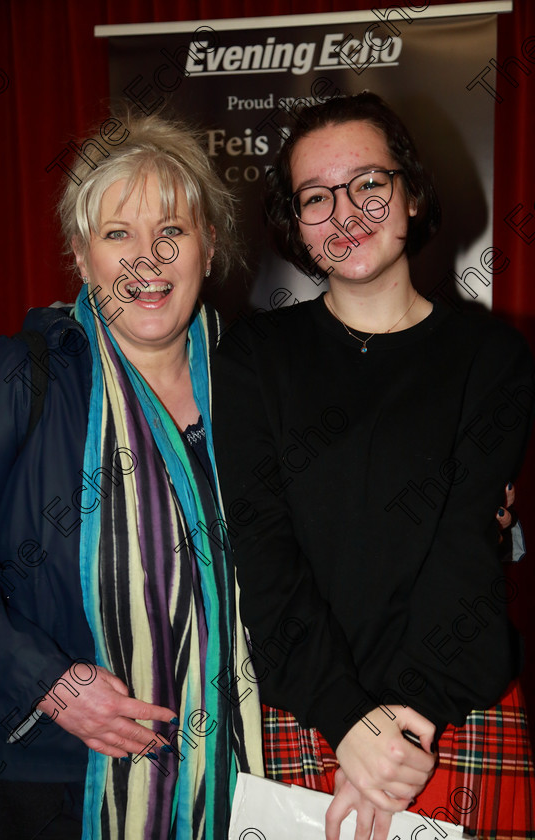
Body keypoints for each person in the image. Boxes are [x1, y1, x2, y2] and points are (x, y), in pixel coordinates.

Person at [212, 93, 535, 840]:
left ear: (412, 193)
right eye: (316, 197)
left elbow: (466, 545)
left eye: (370, 184)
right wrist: (348, 722)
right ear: (295, 223)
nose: (345, 211)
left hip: (450, 716)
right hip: (308, 712)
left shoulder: (492, 359)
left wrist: (400, 731)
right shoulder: (255, 361)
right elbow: (262, 550)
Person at [0, 113, 263, 840]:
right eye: (117, 234)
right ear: (80, 254)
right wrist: (46, 682)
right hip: (54, 783)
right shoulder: (23, 376)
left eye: (173, 229)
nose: (148, 258)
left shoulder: (259, 387)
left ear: (211, 244)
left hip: (236, 780)